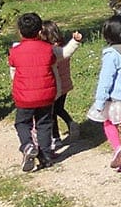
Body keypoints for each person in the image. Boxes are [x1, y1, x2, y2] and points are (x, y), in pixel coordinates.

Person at [90, 15, 121, 172]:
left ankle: (118, 148)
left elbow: (106, 79)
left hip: (114, 98)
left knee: (108, 123)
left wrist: (100, 101)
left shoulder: (111, 54)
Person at [9, 11, 57, 172]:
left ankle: (27, 145)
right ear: (40, 31)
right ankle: (46, 157)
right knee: (44, 124)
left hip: (25, 96)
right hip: (46, 95)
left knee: (22, 123)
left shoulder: (15, 51)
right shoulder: (48, 49)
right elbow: (53, 61)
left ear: (20, 32)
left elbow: (13, 64)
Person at [40, 19, 83, 145]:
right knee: (59, 108)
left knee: (51, 112)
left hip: (55, 85)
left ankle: (56, 137)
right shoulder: (63, 47)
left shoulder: (52, 51)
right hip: (65, 84)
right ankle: (71, 123)